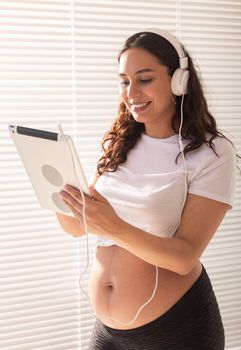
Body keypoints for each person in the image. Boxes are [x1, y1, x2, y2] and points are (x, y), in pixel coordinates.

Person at [55, 29, 238, 350]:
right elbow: (75, 226)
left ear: (179, 81)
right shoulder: (121, 142)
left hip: (177, 330)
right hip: (108, 332)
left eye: (144, 79)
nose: (131, 92)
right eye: (124, 81)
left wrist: (113, 225)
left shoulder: (210, 152)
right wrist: (58, 190)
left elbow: (184, 257)